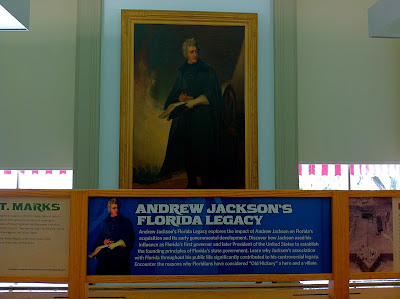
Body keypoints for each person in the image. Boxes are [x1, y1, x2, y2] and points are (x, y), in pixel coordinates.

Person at [158, 38, 222, 188]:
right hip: (186, 118)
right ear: (185, 54)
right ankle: (192, 181)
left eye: (196, 51)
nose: (195, 54)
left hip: (202, 117)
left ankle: (206, 182)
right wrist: (180, 97)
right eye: (192, 52)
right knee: (187, 148)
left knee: (203, 149)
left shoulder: (208, 71)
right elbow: (173, 96)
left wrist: (196, 101)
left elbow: (213, 94)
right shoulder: (181, 73)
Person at [93, 198, 134, 275]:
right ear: (109, 209)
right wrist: (104, 242)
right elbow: (99, 240)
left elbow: (129, 239)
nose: (116, 210)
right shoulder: (105, 222)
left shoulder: (125, 222)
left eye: (117, 208)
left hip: (120, 259)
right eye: (114, 208)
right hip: (106, 260)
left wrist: (116, 244)